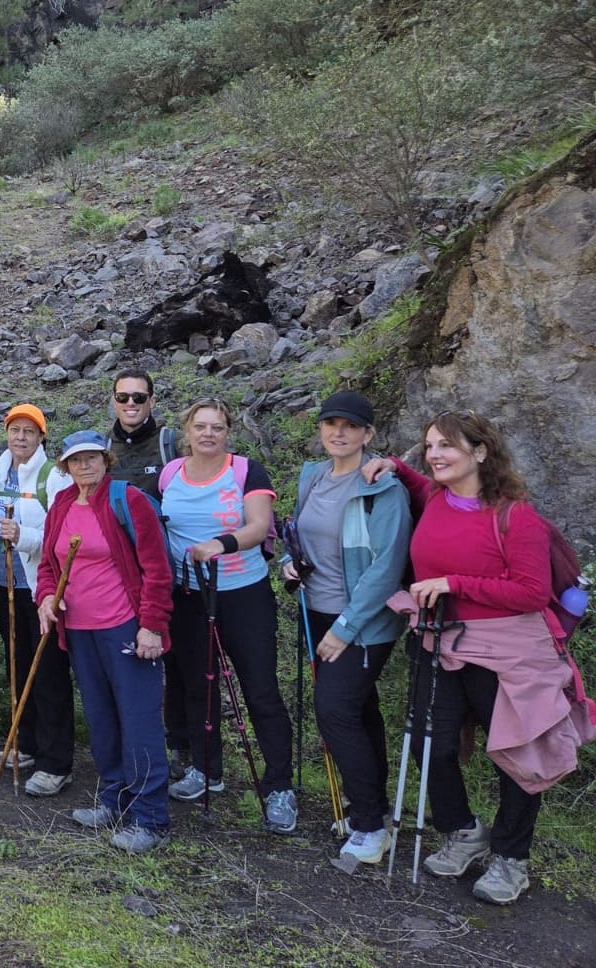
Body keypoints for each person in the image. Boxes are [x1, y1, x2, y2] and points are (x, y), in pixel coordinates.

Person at [365, 411, 594, 905]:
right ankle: (464, 831)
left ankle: (511, 859)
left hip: (508, 649)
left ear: (480, 452)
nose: (435, 455)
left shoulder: (517, 516)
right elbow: (418, 478)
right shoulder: (432, 497)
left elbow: (532, 593)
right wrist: (393, 466)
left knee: (518, 752)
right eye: (429, 446)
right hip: (439, 639)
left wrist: (454, 584)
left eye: (446, 446)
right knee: (433, 745)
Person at [285, 391, 412, 864]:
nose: (338, 432)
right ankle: (372, 808)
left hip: (361, 621)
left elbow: (386, 567)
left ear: (368, 434)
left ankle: (368, 826)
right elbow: (297, 534)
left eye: (350, 426)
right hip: (315, 610)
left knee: (334, 709)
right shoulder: (313, 477)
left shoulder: (383, 488)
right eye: (330, 423)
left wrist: (345, 627)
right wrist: (287, 565)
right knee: (360, 710)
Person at [161, 398, 297, 833]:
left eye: (217, 427)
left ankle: (279, 786)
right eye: (200, 426)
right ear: (186, 430)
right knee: (197, 686)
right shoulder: (171, 474)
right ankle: (206, 769)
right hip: (189, 594)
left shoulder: (245, 471)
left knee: (260, 690)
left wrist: (222, 543)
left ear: (227, 432)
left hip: (243, 593)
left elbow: (259, 524)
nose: (208, 434)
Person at [37, 430, 174, 853]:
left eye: (92, 458)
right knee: (101, 718)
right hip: (78, 630)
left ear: (106, 460)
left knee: (139, 721)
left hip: (125, 626)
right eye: (76, 460)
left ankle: (150, 818)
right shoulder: (60, 505)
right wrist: (45, 599)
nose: (85, 466)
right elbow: (47, 565)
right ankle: (114, 799)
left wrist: (151, 624)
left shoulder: (127, 500)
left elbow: (157, 568)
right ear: (65, 467)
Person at [0, 403, 75, 796]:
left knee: (47, 670)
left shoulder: (55, 478)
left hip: (41, 587)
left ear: (42, 436)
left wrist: (24, 537)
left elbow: (64, 535)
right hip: (3, 582)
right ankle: (26, 743)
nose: (21, 437)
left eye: (30, 431)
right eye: (15, 430)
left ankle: (56, 761)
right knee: (17, 664)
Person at [105, 369, 186, 770]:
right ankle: (135, 748)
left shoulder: (171, 445)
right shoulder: (104, 450)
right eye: (124, 397)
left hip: (170, 571)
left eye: (139, 397)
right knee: (131, 663)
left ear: (153, 400)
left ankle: (185, 751)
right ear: (114, 401)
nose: (131, 405)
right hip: (119, 577)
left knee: (181, 665)